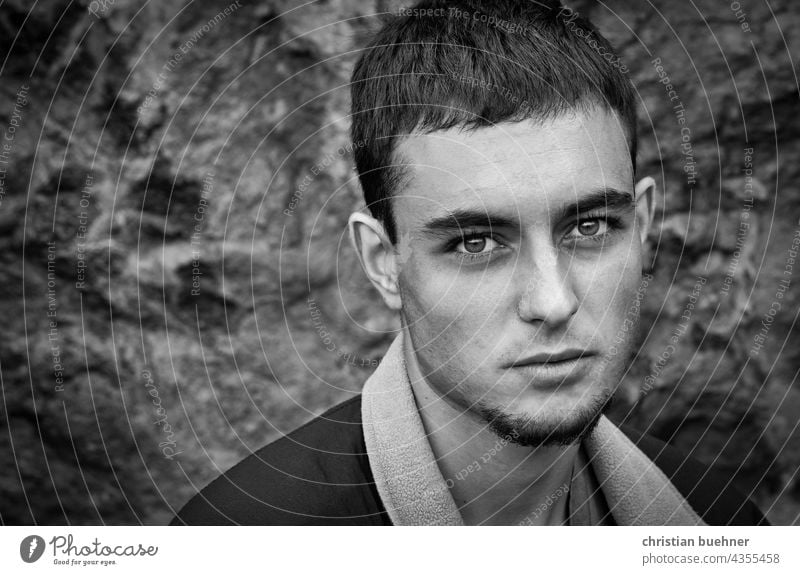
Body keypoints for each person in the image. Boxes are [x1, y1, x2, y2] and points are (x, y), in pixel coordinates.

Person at [171, 0, 766, 526]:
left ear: (642, 228)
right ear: (383, 263)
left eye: (589, 227)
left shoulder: (716, 521)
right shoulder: (242, 539)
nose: (552, 301)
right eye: (476, 244)